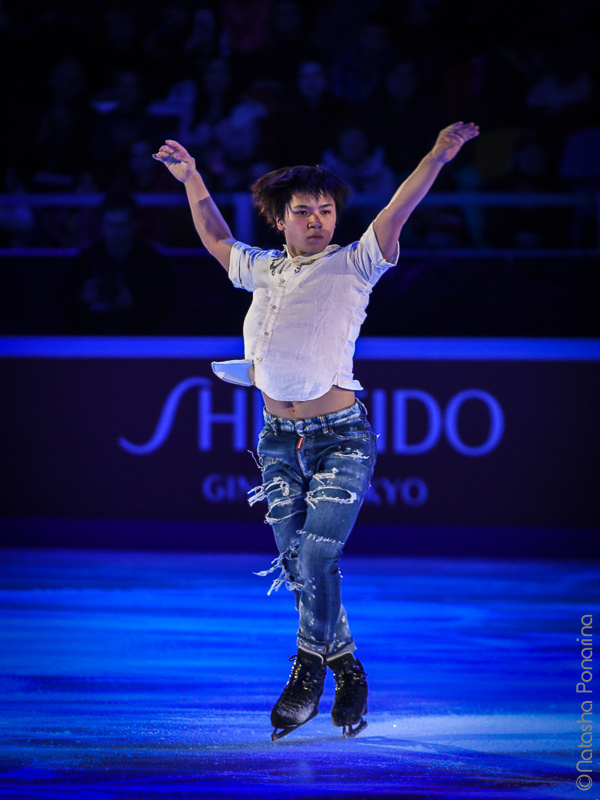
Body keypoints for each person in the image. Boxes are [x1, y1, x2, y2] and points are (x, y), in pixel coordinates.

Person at [153, 120, 479, 740]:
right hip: (277, 439)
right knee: (297, 562)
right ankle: (349, 670)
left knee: (318, 553)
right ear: (280, 219)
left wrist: (438, 156)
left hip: (342, 439)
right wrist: (192, 178)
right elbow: (217, 238)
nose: (317, 221)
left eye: (326, 211)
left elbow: (398, 208)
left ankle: (306, 671)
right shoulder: (263, 269)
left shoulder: (355, 263)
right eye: (303, 211)